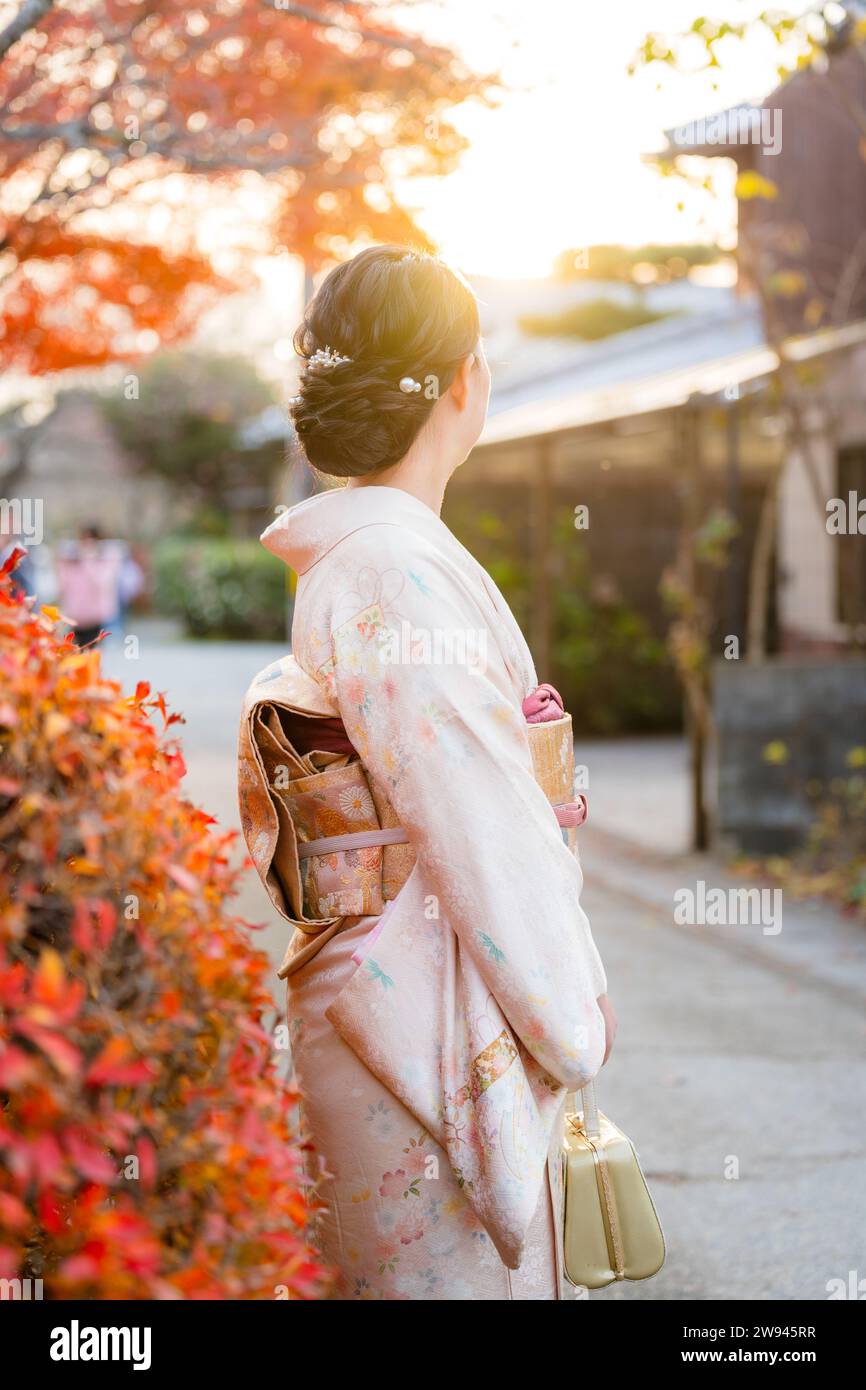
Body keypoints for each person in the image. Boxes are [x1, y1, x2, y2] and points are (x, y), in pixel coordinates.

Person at [258, 246, 617, 1300]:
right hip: (398, 1012)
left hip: (385, 984)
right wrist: (569, 1009)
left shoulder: (379, 558)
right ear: (463, 380)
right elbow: (477, 826)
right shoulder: (392, 569)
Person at [54, 525, 122, 647]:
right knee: (74, 651)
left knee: (91, 652)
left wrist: (89, 559)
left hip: (95, 616)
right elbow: (63, 586)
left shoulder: (106, 558)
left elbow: (102, 583)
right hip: (75, 616)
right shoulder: (73, 559)